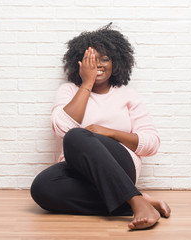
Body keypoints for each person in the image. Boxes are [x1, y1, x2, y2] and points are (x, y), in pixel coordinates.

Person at [30, 23, 171, 230]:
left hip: (121, 166)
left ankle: (136, 202)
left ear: (116, 62)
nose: (99, 65)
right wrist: (86, 83)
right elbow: (61, 127)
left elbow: (151, 143)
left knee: (76, 136)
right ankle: (140, 201)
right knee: (42, 188)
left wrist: (109, 133)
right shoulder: (69, 90)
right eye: (92, 60)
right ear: (80, 63)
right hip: (77, 170)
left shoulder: (127, 94)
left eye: (104, 58)